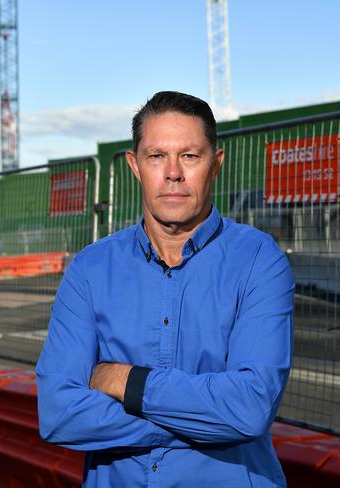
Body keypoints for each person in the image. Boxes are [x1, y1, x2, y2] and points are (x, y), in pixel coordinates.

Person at [36, 91, 294, 487]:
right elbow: (58, 413)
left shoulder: (259, 261)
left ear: (216, 164)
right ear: (135, 165)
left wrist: (127, 382)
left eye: (190, 156)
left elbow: (250, 407)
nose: (173, 172)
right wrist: (201, 422)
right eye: (157, 156)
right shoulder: (90, 270)